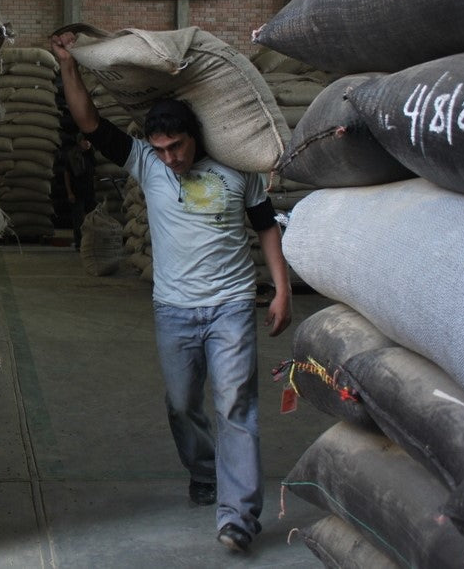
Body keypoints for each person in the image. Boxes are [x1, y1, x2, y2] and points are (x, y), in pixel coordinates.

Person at [50, 30, 293, 553]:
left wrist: (281, 288)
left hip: (230, 305)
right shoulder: (145, 163)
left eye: (176, 147)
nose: (169, 159)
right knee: (183, 404)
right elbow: (89, 122)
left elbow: (266, 224)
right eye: (160, 150)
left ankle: (238, 517)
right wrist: (70, 66)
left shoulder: (235, 168)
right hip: (174, 311)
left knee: (237, 406)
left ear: (194, 137)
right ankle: (203, 469)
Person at [62, 133, 96, 250]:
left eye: (89, 141)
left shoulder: (91, 153)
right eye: (85, 141)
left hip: (90, 191)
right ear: (79, 141)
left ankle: (90, 243)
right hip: (77, 191)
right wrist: (69, 192)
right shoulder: (72, 155)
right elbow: (66, 174)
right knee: (78, 221)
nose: (87, 143)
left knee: (92, 219)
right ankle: (79, 244)